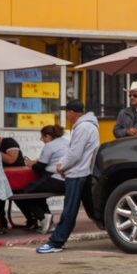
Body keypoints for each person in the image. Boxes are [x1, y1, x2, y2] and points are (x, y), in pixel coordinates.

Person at [36, 101, 99, 254]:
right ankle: (114, 229)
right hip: (84, 172)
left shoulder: (83, 127)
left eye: (67, 112)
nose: (66, 115)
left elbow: (75, 153)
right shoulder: (89, 125)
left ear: (73, 112)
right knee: (93, 210)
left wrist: (61, 166)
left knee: (69, 210)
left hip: (77, 173)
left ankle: (56, 242)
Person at [16, 125, 69, 233]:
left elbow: (40, 168)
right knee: (38, 195)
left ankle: (44, 218)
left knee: (24, 194)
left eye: (43, 138)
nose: (43, 140)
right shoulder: (65, 142)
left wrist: (31, 165)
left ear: (48, 136)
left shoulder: (50, 146)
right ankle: (48, 221)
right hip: (67, 180)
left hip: (55, 178)